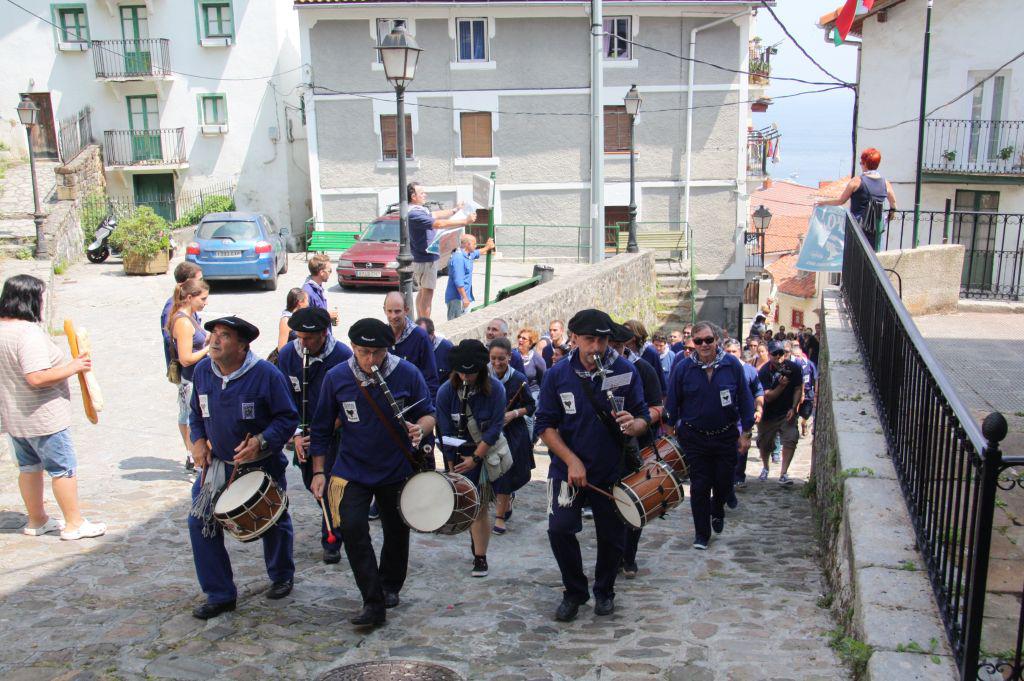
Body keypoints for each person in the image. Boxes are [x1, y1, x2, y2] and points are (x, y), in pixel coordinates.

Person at [308, 318, 436, 627]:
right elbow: (321, 428)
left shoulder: (407, 373)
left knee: (396, 531)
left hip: (395, 467)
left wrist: (420, 428)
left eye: (377, 352)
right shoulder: (337, 377)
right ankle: (372, 600)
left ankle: (390, 585)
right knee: (352, 528)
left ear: (387, 349)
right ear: (352, 347)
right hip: (352, 468)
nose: (370, 359)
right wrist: (319, 471)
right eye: (363, 352)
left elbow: (429, 413)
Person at [535, 309, 650, 622]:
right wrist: (571, 460)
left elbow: (643, 415)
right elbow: (544, 424)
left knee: (612, 536)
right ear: (574, 338)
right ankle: (574, 591)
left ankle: (605, 591)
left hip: (611, 468)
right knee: (559, 529)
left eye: (602, 340)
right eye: (589, 339)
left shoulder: (624, 370)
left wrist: (635, 424)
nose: (596, 347)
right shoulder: (558, 373)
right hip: (567, 468)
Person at [187, 316, 299, 619]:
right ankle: (220, 594)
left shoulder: (266, 375)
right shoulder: (203, 371)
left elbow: (288, 418)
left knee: (273, 519)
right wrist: (198, 441)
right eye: (214, 333)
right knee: (200, 522)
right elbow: (195, 413)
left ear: (242, 346)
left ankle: (281, 574)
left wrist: (261, 441)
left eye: (224, 335)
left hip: (261, 464)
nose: (215, 340)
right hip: (218, 466)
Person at [0, 274, 105, 541]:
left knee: (29, 467)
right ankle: (74, 523)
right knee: (63, 468)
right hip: (43, 415)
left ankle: (37, 519)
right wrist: (73, 367)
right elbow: (36, 376)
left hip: (15, 415)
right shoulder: (27, 333)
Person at [664, 322, 754, 550]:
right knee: (699, 486)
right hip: (694, 437)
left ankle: (717, 508)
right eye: (698, 341)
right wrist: (669, 429)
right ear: (693, 344)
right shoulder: (683, 368)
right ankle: (701, 534)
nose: (704, 345)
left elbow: (745, 399)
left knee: (724, 481)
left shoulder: (731, 365)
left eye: (708, 340)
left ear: (716, 340)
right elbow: (672, 401)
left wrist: (746, 433)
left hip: (725, 436)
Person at [275, 307, 353, 564]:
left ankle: (332, 539)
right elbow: (284, 397)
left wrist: (327, 429)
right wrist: (297, 433)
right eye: (299, 338)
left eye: (308, 339)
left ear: (323, 334)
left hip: (334, 431)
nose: (303, 343)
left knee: (329, 482)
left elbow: (348, 401)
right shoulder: (289, 354)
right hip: (303, 430)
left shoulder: (342, 355)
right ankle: (336, 518)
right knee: (312, 480)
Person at [436, 339, 507, 576]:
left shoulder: (496, 390)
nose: (466, 377)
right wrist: (451, 467)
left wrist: (475, 459)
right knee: (465, 503)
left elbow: (494, 428)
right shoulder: (446, 392)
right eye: (461, 372)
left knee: (479, 507)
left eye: (471, 372)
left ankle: (480, 557)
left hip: (482, 452)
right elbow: (444, 430)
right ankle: (476, 542)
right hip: (457, 453)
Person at [608, 323, 663, 579]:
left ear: (627, 345)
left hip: (636, 444)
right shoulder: (597, 370)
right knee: (609, 506)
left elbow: (658, 407)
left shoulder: (643, 368)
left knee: (634, 499)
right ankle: (613, 555)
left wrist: (637, 422)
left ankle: (628, 555)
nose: (612, 351)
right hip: (606, 446)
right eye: (609, 345)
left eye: (617, 346)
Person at [487, 337, 536, 535]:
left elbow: (531, 406)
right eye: (493, 358)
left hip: (512, 432)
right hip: (489, 430)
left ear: (509, 357)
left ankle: (499, 516)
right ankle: (504, 501)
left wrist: (514, 413)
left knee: (506, 472)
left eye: (501, 358)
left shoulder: (518, 379)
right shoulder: (484, 376)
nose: (497, 363)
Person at [407, 182, 477, 320]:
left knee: (422, 292)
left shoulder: (418, 210)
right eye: (422, 193)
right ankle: (425, 326)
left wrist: (455, 210)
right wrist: (465, 221)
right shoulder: (415, 213)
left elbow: (435, 214)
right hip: (426, 259)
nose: (425, 195)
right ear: (413, 196)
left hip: (423, 258)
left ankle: (420, 322)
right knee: (427, 294)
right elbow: (438, 223)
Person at [167, 279, 211, 472]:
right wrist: (209, 348)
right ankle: (196, 459)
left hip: (194, 378)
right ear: (190, 297)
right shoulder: (183, 322)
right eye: (203, 299)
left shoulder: (189, 317)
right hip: (191, 379)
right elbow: (185, 359)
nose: (205, 303)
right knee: (193, 420)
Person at [816, 147, 897, 251]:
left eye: (861, 163)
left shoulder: (857, 181)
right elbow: (893, 205)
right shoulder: (885, 183)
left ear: (865, 164)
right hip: (876, 227)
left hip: (858, 226)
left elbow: (841, 200)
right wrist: (889, 217)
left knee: (855, 254)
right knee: (874, 254)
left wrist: (823, 202)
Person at [756, 340, 804, 485]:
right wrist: (781, 386)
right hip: (768, 414)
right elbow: (768, 397)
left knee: (791, 438)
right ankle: (765, 467)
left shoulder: (794, 368)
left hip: (786, 412)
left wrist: (793, 407)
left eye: (781, 353)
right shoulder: (764, 372)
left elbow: (798, 388)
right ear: (769, 354)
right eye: (775, 353)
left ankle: (783, 473)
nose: (778, 356)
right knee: (764, 444)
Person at [723, 339, 763, 499]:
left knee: (741, 448)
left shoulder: (749, 370)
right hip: (723, 417)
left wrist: (759, 409)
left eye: (734, 351)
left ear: (739, 352)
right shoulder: (719, 369)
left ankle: (738, 477)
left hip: (742, 416)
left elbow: (758, 391)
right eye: (728, 352)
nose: (731, 354)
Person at [384, 292, 439, 402]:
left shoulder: (420, 337)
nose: (393, 316)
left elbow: (431, 378)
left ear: (406, 310)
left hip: (414, 403)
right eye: (389, 311)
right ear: (384, 310)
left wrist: (430, 408)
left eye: (397, 311)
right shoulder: (381, 335)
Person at [162, 261, 203, 369]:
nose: (202, 284)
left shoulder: (187, 302)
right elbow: (170, 338)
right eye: (200, 280)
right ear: (189, 282)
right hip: (186, 370)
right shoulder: (172, 306)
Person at [444, 234, 495, 320]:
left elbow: (477, 252)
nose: (476, 246)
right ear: (468, 244)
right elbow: (458, 281)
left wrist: (487, 247)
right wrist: (465, 298)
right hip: (457, 299)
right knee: (457, 324)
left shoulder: (468, 255)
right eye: (474, 244)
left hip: (464, 298)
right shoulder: (458, 258)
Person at [623, 319, 666, 394]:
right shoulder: (621, 351)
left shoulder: (651, 353)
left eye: (626, 332)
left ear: (635, 335)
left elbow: (660, 378)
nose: (623, 334)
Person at [789, 343, 818, 437]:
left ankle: (804, 422)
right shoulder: (789, 365)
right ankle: (794, 429)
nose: (797, 358)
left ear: (802, 355)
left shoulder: (809, 364)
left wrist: (816, 393)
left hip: (808, 392)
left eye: (798, 356)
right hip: (794, 391)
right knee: (794, 412)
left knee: (806, 412)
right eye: (795, 356)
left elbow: (815, 378)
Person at [416, 317, 452, 388]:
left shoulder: (446, 348)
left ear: (432, 334)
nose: (419, 341)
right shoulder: (413, 348)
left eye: (423, 337)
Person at [303, 254, 339, 327]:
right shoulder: (307, 292)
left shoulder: (318, 288)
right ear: (322, 273)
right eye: (329, 271)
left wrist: (329, 319)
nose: (330, 273)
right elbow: (304, 319)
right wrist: (326, 315)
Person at [516, 327, 546, 401]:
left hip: (532, 392)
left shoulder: (537, 359)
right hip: (515, 392)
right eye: (519, 337)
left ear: (530, 343)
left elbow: (544, 380)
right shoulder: (512, 355)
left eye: (524, 338)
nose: (520, 340)